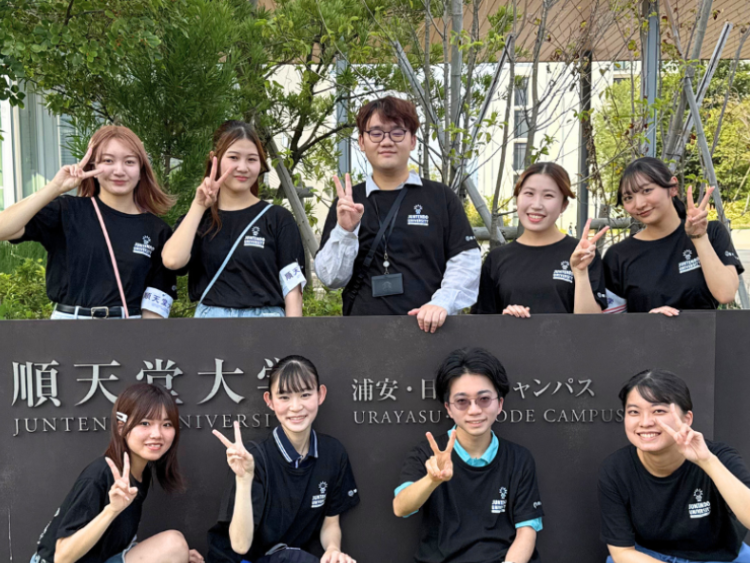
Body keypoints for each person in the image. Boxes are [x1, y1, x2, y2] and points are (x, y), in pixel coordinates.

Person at [315, 96, 480, 332]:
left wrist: (441, 303)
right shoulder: (348, 203)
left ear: (412, 140)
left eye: (397, 132)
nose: (386, 141)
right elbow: (331, 279)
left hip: (430, 332)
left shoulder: (440, 197)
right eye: (376, 133)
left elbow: (466, 261)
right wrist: (345, 231)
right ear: (362, 142)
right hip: (362, 335)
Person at [0, 126, 177, 319]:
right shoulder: (67, 211)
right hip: (68, 326)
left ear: (141, 170)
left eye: (129, 162)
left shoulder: (157, 230)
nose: (119, 171)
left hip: (129, 327)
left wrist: (144, 337)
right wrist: (55, 187)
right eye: (108, 161)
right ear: (92, 167)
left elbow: (155, 305)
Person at [393, 347, 544, 563]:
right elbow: (401, 507)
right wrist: (432, 480)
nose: (474, 410)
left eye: (484, 399)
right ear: (448, 408)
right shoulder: (426, 453)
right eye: (462, 401)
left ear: (500, 404)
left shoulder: (519, 458)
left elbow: (527, 531)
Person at [207, 355, 360, 563]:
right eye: (284, 397)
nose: (295, 407)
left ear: (320, 394)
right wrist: (244, 479)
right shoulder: (251, 458)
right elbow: (240, 546)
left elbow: (330, 522)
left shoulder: (333, 453)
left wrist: (333, 550)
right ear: (269, 400)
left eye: (305, 395)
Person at [30, 383, 203, 563]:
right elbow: (61, 557)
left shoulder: (141, 474)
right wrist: (112, 510)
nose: (157, 434)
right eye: (145, 423)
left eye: (166, 424)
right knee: (173, 543)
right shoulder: (100, 474)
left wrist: (171, 554)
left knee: (174, 547)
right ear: (121, 427)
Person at [599, 369, 750, 563]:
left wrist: (707, 462)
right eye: (634, 412)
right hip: (649, 556)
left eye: (658, 411)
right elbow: (622, 552)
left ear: (687, 419)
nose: (645, 422)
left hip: (720, 556)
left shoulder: (719, 457)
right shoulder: (616, 469)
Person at [162, 121, 306, 318]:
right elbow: (172, 261)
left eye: (252, 159)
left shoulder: (278, 219)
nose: (242, 167)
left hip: (266, 326)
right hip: (211, 327)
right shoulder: (199, 219)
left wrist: (292, 335)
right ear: (214, 159)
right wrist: (199, 205)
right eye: (233, 157)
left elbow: (293, 292)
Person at [603, 157, 743, 315]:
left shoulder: (712, 232)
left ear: (672, 187)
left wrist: (699, 237)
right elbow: (610, 321)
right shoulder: (618, 255)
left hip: (704, 331)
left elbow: (726, 294)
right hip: (645, 332)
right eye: (628, 198)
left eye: (647, 191)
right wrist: (647, 322)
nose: (639, 204)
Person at [472, 162, 608, 316]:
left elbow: (591, 324)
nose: (536, 205)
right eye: (529, 193)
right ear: (517, 199)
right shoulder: (496, 259)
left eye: (548, 195)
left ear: (563, 205)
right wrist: (505, 320)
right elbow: (482, 323)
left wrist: (580, 272)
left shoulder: (582, 254)